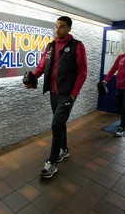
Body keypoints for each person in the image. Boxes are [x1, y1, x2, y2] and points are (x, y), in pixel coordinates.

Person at [24, 16, 87, 178]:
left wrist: (74, 93)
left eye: (62, 27)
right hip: (53, 93)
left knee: (56, 124)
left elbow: (82, 72)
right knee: (60, 123)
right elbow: (41, 66)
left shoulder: (76, 46)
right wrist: (33, 78)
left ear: (69, 29)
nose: (57, 29)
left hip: (67, 94)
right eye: (56, 26)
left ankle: (52, 162)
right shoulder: (50, 46)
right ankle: (64, 149)